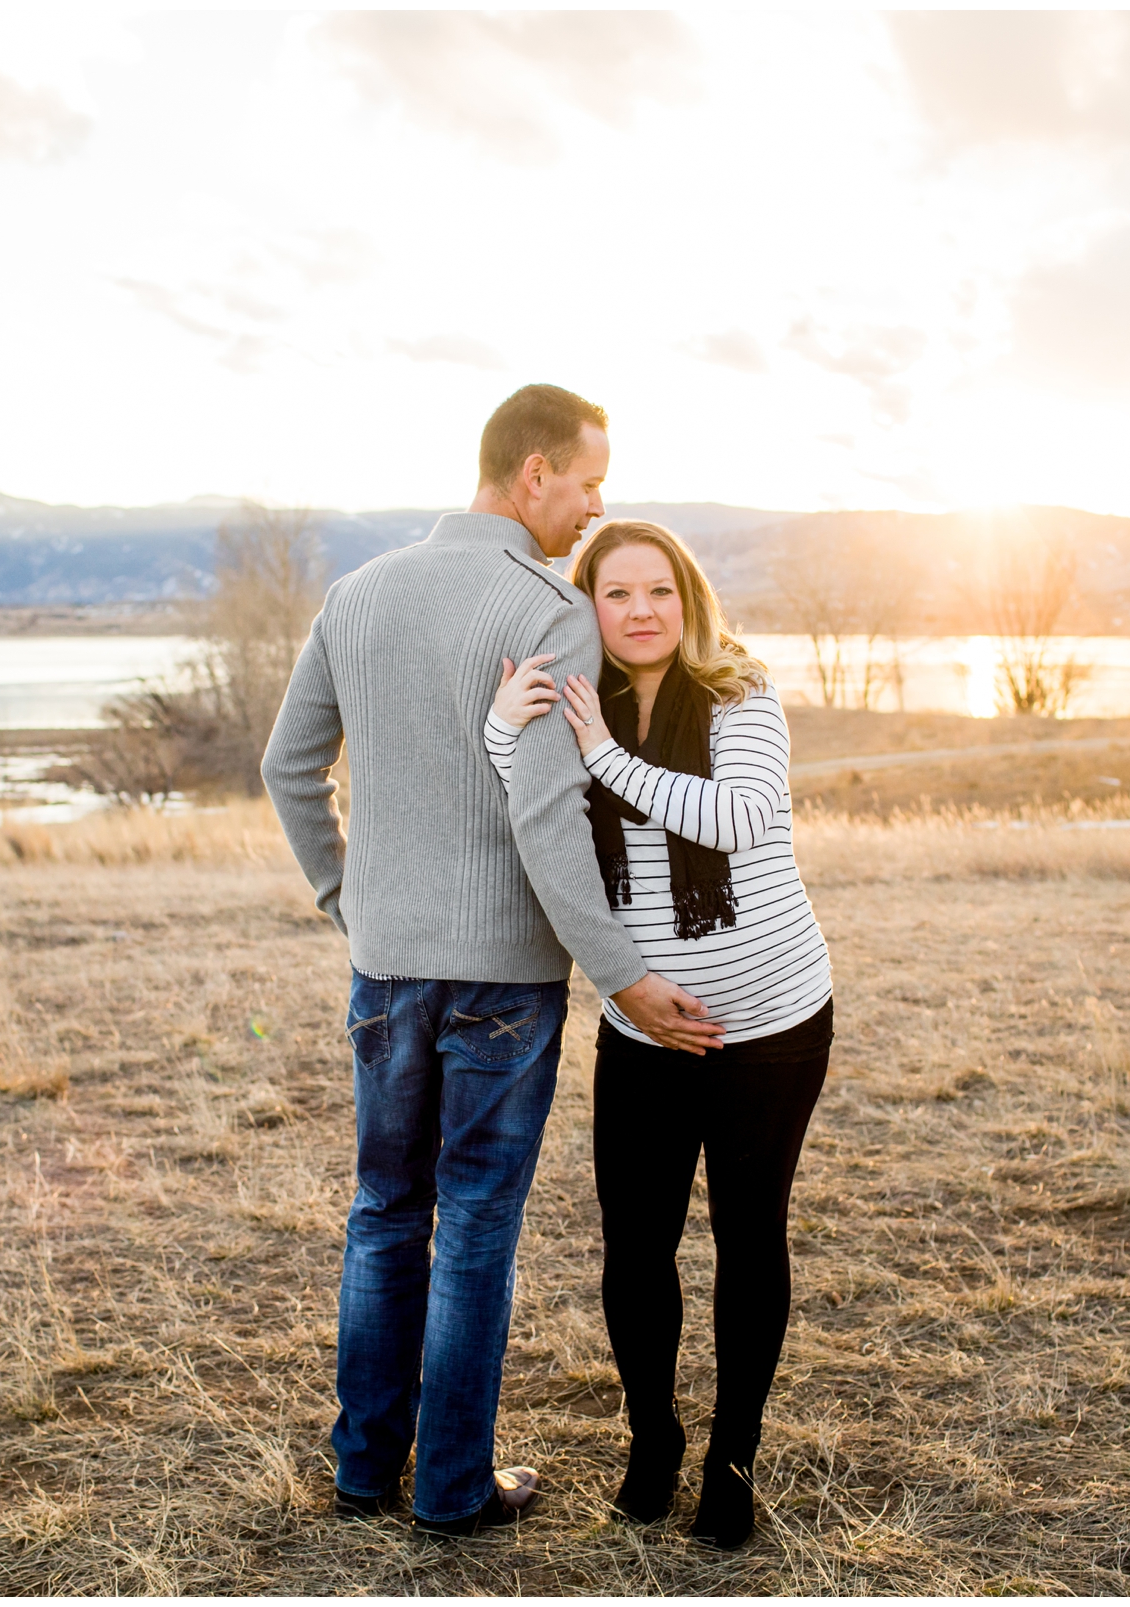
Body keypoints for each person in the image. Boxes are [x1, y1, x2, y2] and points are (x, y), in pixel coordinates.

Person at [261, 387, 723, 1539]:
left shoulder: (356, 595)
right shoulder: (545, 611)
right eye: (588, 482)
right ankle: (454, 1486)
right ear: (533, 476)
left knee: (382, 1209)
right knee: (471, 1224)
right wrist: (621, 971)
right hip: (505, 978)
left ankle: (364, 1467)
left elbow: (286, 766)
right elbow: (548, 820)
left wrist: (347, 897)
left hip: (387, 961)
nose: (596, 507)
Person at [484, 519, 833, 1550]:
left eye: (660, 591)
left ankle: (732, 1459)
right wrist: (512, 729)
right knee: (636, 1248)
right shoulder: (563, 698)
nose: (640, 610)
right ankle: (654, 1440)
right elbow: (534, 812)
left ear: (689, 602)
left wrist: (604, 752)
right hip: (641, 1031)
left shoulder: (741, 693)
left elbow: (739, 816)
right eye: (616, 592)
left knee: (747, 1237)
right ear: (584, 605)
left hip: (770, 1024)